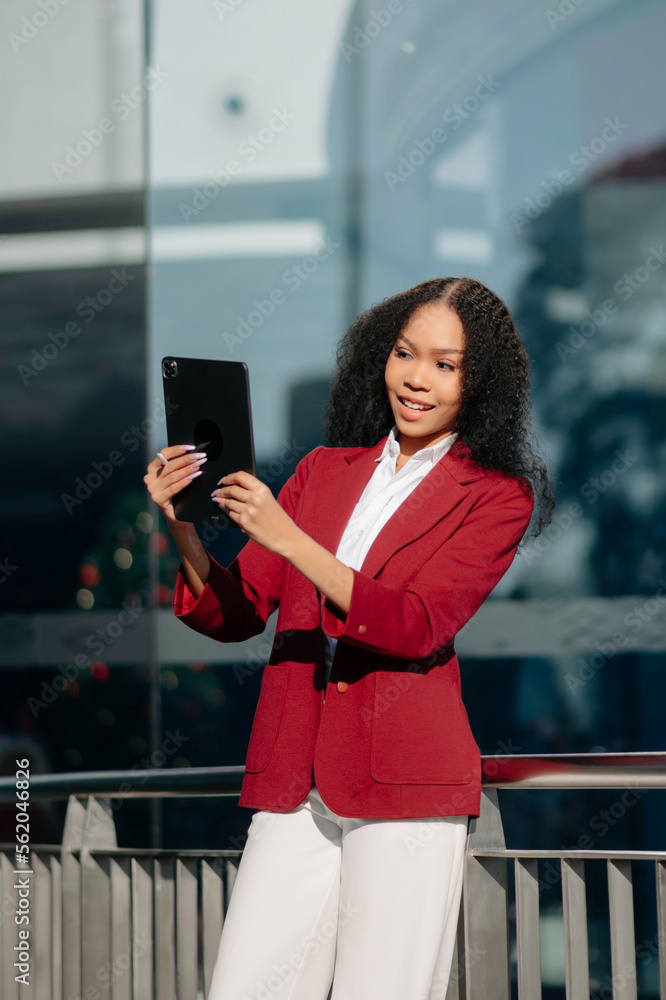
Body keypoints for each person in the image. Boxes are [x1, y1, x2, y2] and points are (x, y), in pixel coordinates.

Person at [144, 276, 553, 1000]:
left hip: (405, 782)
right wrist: (182, 522)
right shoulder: (323, 472)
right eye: (405, 353)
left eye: (445, 364)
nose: (416, 379)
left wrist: (289, 538)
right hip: (293, 776)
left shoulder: (496, 494)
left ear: (477, 382)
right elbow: (234, 615)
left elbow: (416, 624)